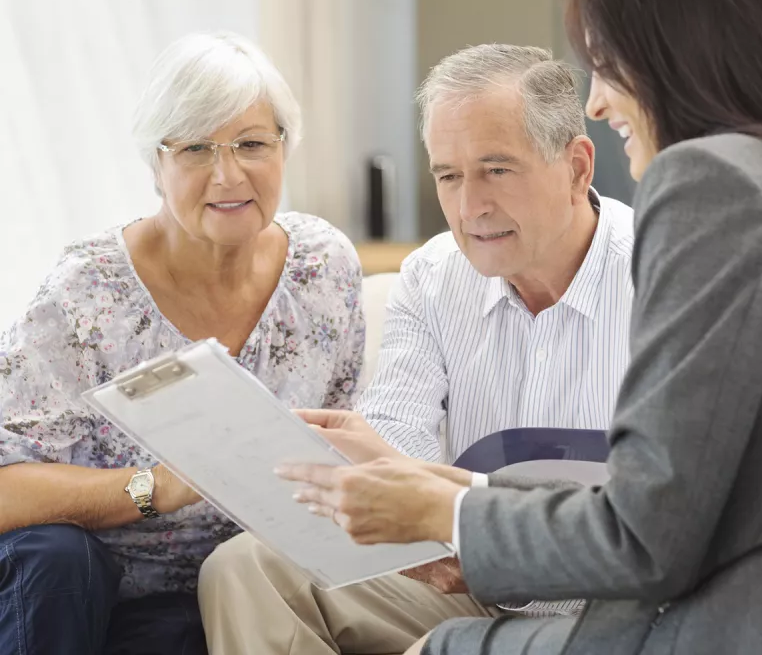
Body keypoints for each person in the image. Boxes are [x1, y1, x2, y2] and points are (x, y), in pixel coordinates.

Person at [277, 0, 762, 655]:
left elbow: (647, 534)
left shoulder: (711, 185)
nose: (596, 97)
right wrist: (454, 499)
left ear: (673, 53)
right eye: (449, 176)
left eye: (607, 60)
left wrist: (450, 516)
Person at [198, 44, 635, 653]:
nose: (468, 207)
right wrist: (366, 462)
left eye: (497, 170)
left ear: (578, 167)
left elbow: (666, 509)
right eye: (448, 176)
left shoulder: (664, 274)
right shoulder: (433, 277)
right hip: (473, 578)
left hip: (619, 596)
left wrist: (459, 510)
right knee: (247, 568)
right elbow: (397, 439)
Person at [0, 31, 364, 655]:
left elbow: (343, 441)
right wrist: (158, 486)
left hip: (251, 579)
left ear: (284, 149)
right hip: (95, 582)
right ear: (156, 164)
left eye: (252, 144)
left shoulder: (322, 268)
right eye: (196, 148)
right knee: (60, 566)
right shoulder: (86, 291)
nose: (228, 174)